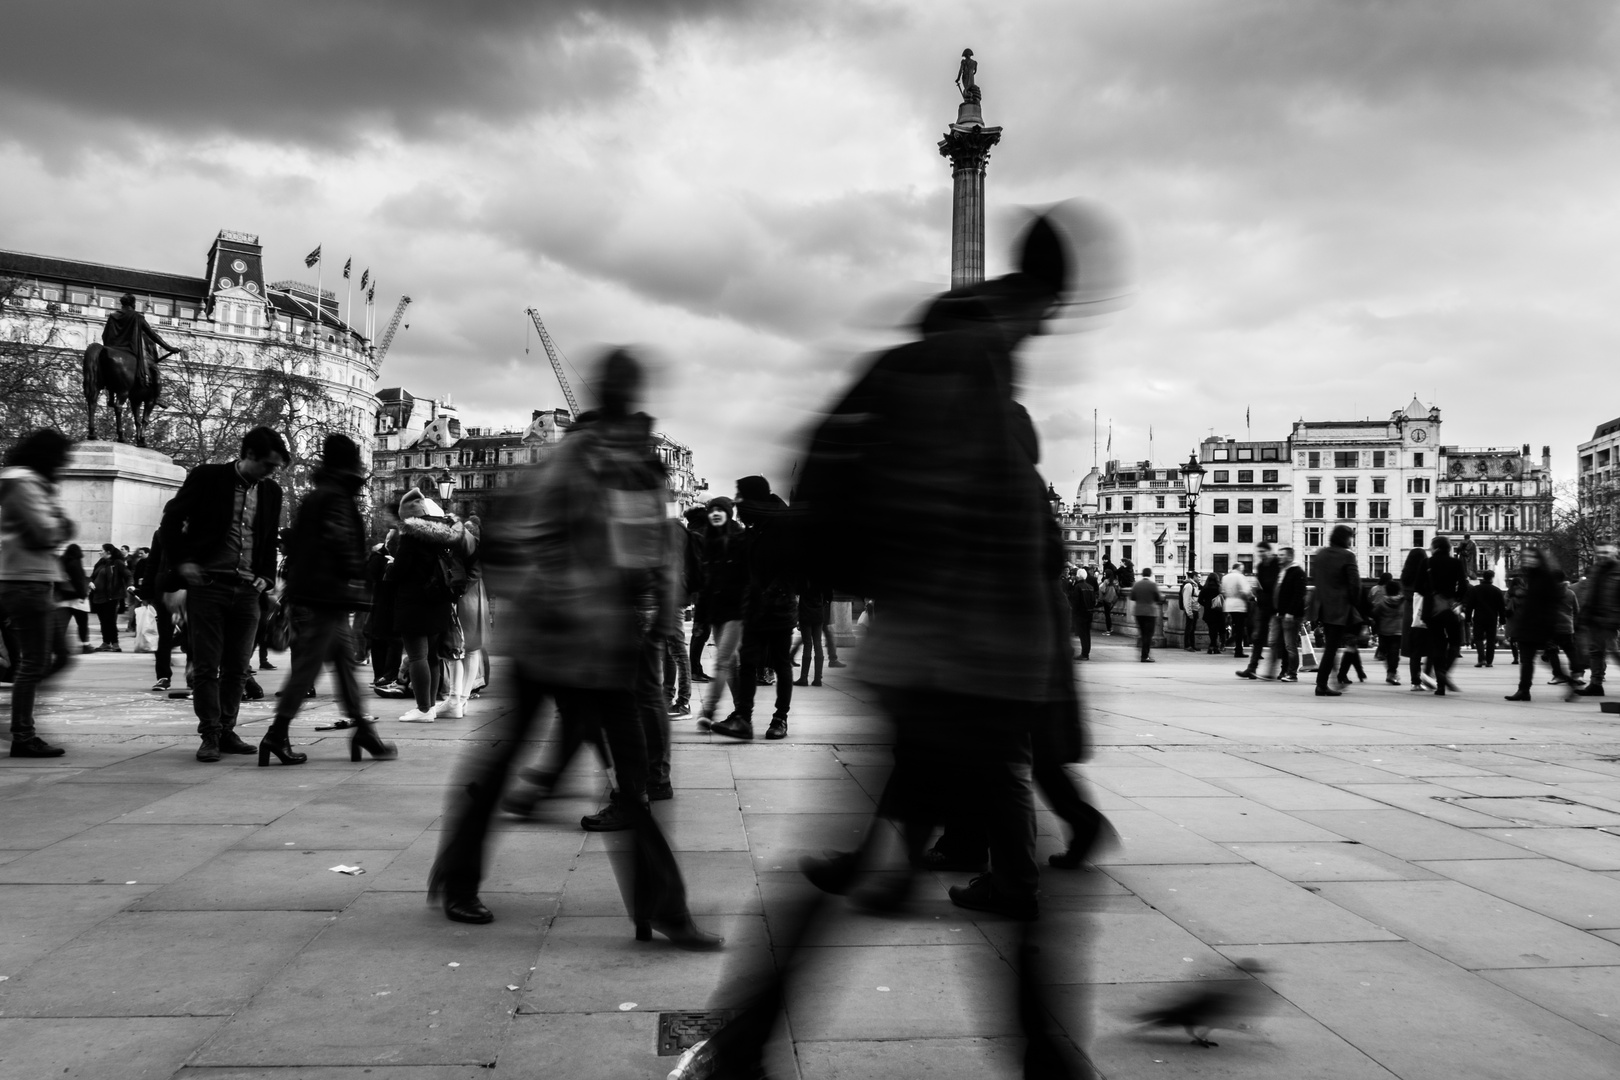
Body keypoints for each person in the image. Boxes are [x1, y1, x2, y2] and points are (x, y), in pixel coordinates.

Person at [432, 347, 718, 950]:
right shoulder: (582, 460)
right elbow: (532, 539)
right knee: (540, 763)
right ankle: (459, 877)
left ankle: (662, 908)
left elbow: (656, 553)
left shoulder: (637, 466)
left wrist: (654, 614)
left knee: (629, 780)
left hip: (603, 642)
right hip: (560, 638)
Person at [263, 434, 395, 766]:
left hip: (317, 593)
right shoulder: (337, 496)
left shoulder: (319, 495)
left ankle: (364, 729)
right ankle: (277, 734)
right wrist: (359, 577)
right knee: (308, 669)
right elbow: (340, 543)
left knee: (345, 665)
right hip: (326, 595)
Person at [159, 426, 288, 761]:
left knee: (238, 667)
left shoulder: (271, 491)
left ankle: (227, 730)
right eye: (268, 465)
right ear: (248, 456)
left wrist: (264, 577)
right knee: (206, 665)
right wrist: (183, 563)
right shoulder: (207, 478)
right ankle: (210, 734)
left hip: (248, 590)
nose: (271, 473)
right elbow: (171, 521)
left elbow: (267, 538)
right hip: (208, 585)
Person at [1, 430, 76, 757]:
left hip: (34, 580)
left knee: (57, 656)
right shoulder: (22, 483)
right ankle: (22, 733)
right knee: (35, 661)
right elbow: (45, 532)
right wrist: (60, 522)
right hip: (24, 581)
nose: (63, 467)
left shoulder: (30, 483)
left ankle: (19, 719)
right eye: (62, 460)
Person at [712, 476, 797, 741]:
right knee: (748, 663)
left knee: (781, 663)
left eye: (741, 495)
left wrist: (771, 594)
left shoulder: (782, 524)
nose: (738, 501)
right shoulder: (756, 524)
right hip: (754, 608)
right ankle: (743, 718)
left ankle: (779, 719)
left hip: (778, 608)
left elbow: (791, 568)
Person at [390, 489, 468, 723]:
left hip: (414, 601)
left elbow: (400, 570)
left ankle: (424, 708)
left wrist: (389, 568)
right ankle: (430, 706)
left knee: (417, 656)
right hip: (440, 600)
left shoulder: (411, 537)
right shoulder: (445, 535)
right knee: (432, 657)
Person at [695, 496, 747, 728]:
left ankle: (708, 710)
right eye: (711, 510)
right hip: (717, 614)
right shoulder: (709, 542)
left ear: (728, 513)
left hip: (736, 613)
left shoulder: (739, 540)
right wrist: (700, 619)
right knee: (731, 663)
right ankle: (741, 711)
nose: (715, 513)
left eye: (720, 510)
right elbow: (705, 586)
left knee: (722, 661)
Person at [1505, 546, 1577, 702]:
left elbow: (1551, 603)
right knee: (1528, 660)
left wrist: (1547, 624)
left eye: (1532, 557)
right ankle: (1524, 690)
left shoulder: (1545, 577)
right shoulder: (1532, 576)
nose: (1528, 560)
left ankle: (1525, 690)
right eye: (1526, 557)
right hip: (1530, 624)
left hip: (1538, 625)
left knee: (1532, 660)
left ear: (1539, 559)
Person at [1311, 524, 1361, 698]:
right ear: (1345, 538)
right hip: (1340, 607)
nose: (1351, 541)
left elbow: (1316, 578)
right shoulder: (1348, 556)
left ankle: (1330, 680)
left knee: (1331, 646)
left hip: (1323, 606)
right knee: (1332, 647)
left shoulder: (1321, 554)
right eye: (1350, 537)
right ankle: (1322, 684)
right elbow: (1354, 583)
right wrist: (1355, 603)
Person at [101, 292, 176, 393]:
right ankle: (155, 395)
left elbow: (104, 335)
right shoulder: (137, 317)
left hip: (112, 350)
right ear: (133, 304)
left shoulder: (113, 316)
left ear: (122, 304)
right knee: (154, 371)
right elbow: (153, 335)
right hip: (131, 351)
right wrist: (169, 348)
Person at [1425, 535, 1467, 696]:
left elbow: (1419, 585)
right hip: (1450, 607)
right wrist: (1455, 598)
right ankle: (1444, 672)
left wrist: (1432, 595)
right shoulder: (1456, 563)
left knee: (1438, 644)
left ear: (1435, 547)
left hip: (1432, 609)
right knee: (1455, 642)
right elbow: (1463, 586)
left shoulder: (1427, 562)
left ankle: (1440, 686)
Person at [1576, 541, 1620, 697]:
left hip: (1611, 619)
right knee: (1596, 652)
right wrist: (1584, 615)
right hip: (1595, 619)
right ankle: (1595, 684)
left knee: (1615, 652)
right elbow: (1590, 594)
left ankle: (1596, 683)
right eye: (1599, 553)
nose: (1602, 556)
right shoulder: (1596, 570)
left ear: (1615, 551)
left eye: (1606, 553)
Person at [1257, 546, 1305, 682]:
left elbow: (1298, 594)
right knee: (1273, 642)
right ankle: (1275, 671)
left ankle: (1291, 673)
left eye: (1282, 555)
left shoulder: (1297, 572)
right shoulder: (1282, 571)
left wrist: (1291, 612)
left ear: (1290, 557)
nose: (1279, 557)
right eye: (1279, 555)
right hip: (1278, 612)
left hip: (1290, 615)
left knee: (1290, 645)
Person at [1238, 543, 1280, 677]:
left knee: (1278, 639)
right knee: (1258, 637)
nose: (1261, 554)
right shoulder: (1261, 566)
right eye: (1259, 552)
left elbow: (1275, 585)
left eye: (1263, 551)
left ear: (1269, 551)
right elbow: (1261, 585)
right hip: (1264, 605)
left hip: (1277, 605)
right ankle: (1252, 667)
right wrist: (1260, 595)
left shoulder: (1277, 564)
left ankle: (1282, 669)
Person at [88, 544, 131, 651]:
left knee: (110, 620)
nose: (99, 552)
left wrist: (130, 585)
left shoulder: (117, 563)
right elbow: (93, 576)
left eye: (101, 550)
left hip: (111, 596)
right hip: (98, 596)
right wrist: (90, 582)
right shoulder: (100, 563)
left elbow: (128, 575)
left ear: (108, 552)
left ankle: (115, 643)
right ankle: (106, 642)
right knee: (103, 621)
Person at [56, 544, 91, 655]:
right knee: (82, 624)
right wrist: (83, 595)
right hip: (76, 599)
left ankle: (60, 647)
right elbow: (78, 581)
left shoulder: (60, 562)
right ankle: (85, 645)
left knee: (62, 625)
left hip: (63, 598)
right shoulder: (75, 563)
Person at [1469, 570, 1506, 668]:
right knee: (1491, 639)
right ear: (1492, 578)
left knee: (1478, 638)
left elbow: (1470, 605)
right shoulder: (1497, 590)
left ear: (1483, 577)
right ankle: (1489, 661)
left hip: (1479, 617)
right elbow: (1501, 607)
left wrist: (1468, 618)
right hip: (1492, 618)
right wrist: (1502, 620)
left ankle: (1481, 659)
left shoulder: (1475, 589)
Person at [1374, 579, 1405, 685]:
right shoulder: (1402, 602)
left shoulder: (1382, 602)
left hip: (1384, 631)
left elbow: (1375, 614)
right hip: (1397, 631)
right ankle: (1392, 673)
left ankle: (1391, 673)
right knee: (1394, 653)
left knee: (1388, 654)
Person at [1221, 559, 1252, 659]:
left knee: (1234, 626)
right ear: (1239, 568)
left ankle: (1231, 644)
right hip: (1239, 605)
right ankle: (1238, 649)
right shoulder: (1240, 577)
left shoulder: (1225, 577)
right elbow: (1245, 591)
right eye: (1242, 568)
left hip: (1228, 604)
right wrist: (1251, 597)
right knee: (1240, 628)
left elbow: (1222, 591)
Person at [1130, 567, 1162, 662]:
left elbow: (1132, 597)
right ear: (1150, 574)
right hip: (1150, 613)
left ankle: (1142, 654)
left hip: (1138, 612)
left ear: (1142, 574)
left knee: (1142, 633)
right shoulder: (1153, 585)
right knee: (1148, 635)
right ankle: (1145, 656)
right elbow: (1158, 598)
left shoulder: (1136, 584)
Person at [1071, 567, 1096, 660]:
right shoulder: (1090, 587)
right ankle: (1086, 652)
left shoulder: (1078, 587)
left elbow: (1076, 602)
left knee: (1082, 634)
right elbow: (1094, 601)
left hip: (1081, 613)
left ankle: (1084, 654)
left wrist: (1074, 614)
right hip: (1089, 613)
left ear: (1078, 576)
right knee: (1087, 633)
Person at [1198, 571, 1225, 653]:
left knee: (1211, 629)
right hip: (1218, 611)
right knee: (1216, 630)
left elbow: (1200, 600)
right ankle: (1214, 646)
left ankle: (1212, 646)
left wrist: (1206, 605)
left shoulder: (1205, 588)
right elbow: (1224, 598)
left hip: (1208, 611)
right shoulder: (1219, 588)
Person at [1179, 573, 1199, 651]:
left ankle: (1192, 645)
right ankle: (1187, 645)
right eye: (1198, 577)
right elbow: (1186, 600)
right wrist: (1189, 612)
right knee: (1189, 628)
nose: (1199, 578)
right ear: (1193, 577)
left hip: (1195, 609)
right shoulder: (1189, 586)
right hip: (1191, 610)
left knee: (1192, 628)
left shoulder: (1194, 585)